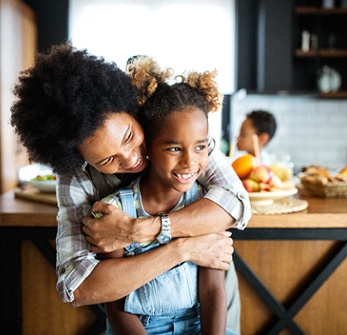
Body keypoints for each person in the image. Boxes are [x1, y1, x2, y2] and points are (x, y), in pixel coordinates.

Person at [10, 42, 251, 332]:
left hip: (209, 315)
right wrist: (183, 249)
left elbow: (236, 203)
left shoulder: (176, 135)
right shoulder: (76, 178)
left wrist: (138, 230)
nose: (132, 157)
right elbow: (79, 286)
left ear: (132, 110)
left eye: (128, 136)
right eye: (108, 158)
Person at [98, 56, 236, 334]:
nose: (189, 162)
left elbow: (212, 289)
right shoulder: (116, 212)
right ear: (147, 146)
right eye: (174, 149)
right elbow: (115, 304)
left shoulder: (204, 207)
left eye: (200, 147)